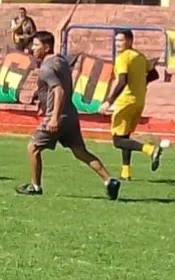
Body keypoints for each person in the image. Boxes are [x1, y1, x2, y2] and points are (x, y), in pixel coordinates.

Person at [17, 31, 121, 200]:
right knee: (80, 152)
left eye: (36, 45)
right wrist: (40, 93)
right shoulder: (61, 61)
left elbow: (59, 90)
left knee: (33, 148)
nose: (32, 48)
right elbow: (58, 84)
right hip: (71, 115)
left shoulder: (46, 68)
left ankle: (35, 186)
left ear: (47, 47)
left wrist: (54, 117)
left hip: (57, 115)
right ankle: (109, 180)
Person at [98, 30, 163, 181]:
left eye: (120, 40)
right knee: (125, 136)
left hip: (125, 101)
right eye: (116, 41)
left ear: (129, 41)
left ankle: (150, 149)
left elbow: (122, 81)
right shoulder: (139, 56)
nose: (117, 44)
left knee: (118, 141)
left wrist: (109, 101)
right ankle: (126, 173)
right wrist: (140, 82)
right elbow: (154, 75)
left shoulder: (123, 58)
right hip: (139, 100)